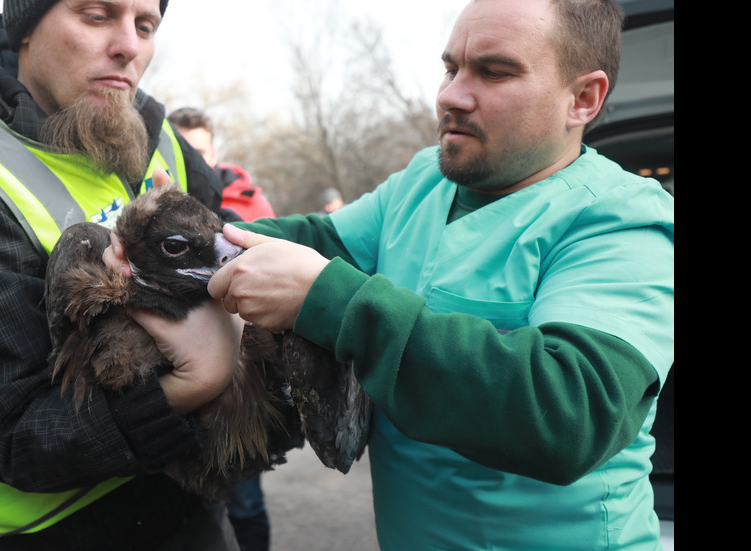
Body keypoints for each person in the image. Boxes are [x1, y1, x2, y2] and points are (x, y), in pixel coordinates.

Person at [204, 0, 674, 549]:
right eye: (452, 68)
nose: (451, 95)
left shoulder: (623, 219)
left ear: (583, 99)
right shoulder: (423, 179)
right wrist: (179, 235)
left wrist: (334, 303)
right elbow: (317, 242)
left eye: (494, 72)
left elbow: (574, 413)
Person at [0, 1, 245, 549]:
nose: (128, 46)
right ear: (25, 29)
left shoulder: (158, 139)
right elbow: (20, 439)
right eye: (95, 14)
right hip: (46, 532)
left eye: (145, 24)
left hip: (191, 508)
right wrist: (192, 383)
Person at [167, 106, 273, 551]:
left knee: (244, 494)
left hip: (241, 375)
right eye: (187, 150)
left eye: (202, 150)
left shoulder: (248, 199)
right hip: (184, 366)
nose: (198, 160)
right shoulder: (166, 207)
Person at [167, 107, 275, 222]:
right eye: (179, 151)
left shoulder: (255, 205)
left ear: (213, 154)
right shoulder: (150, 196)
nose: (189, 161)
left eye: (197, 154)